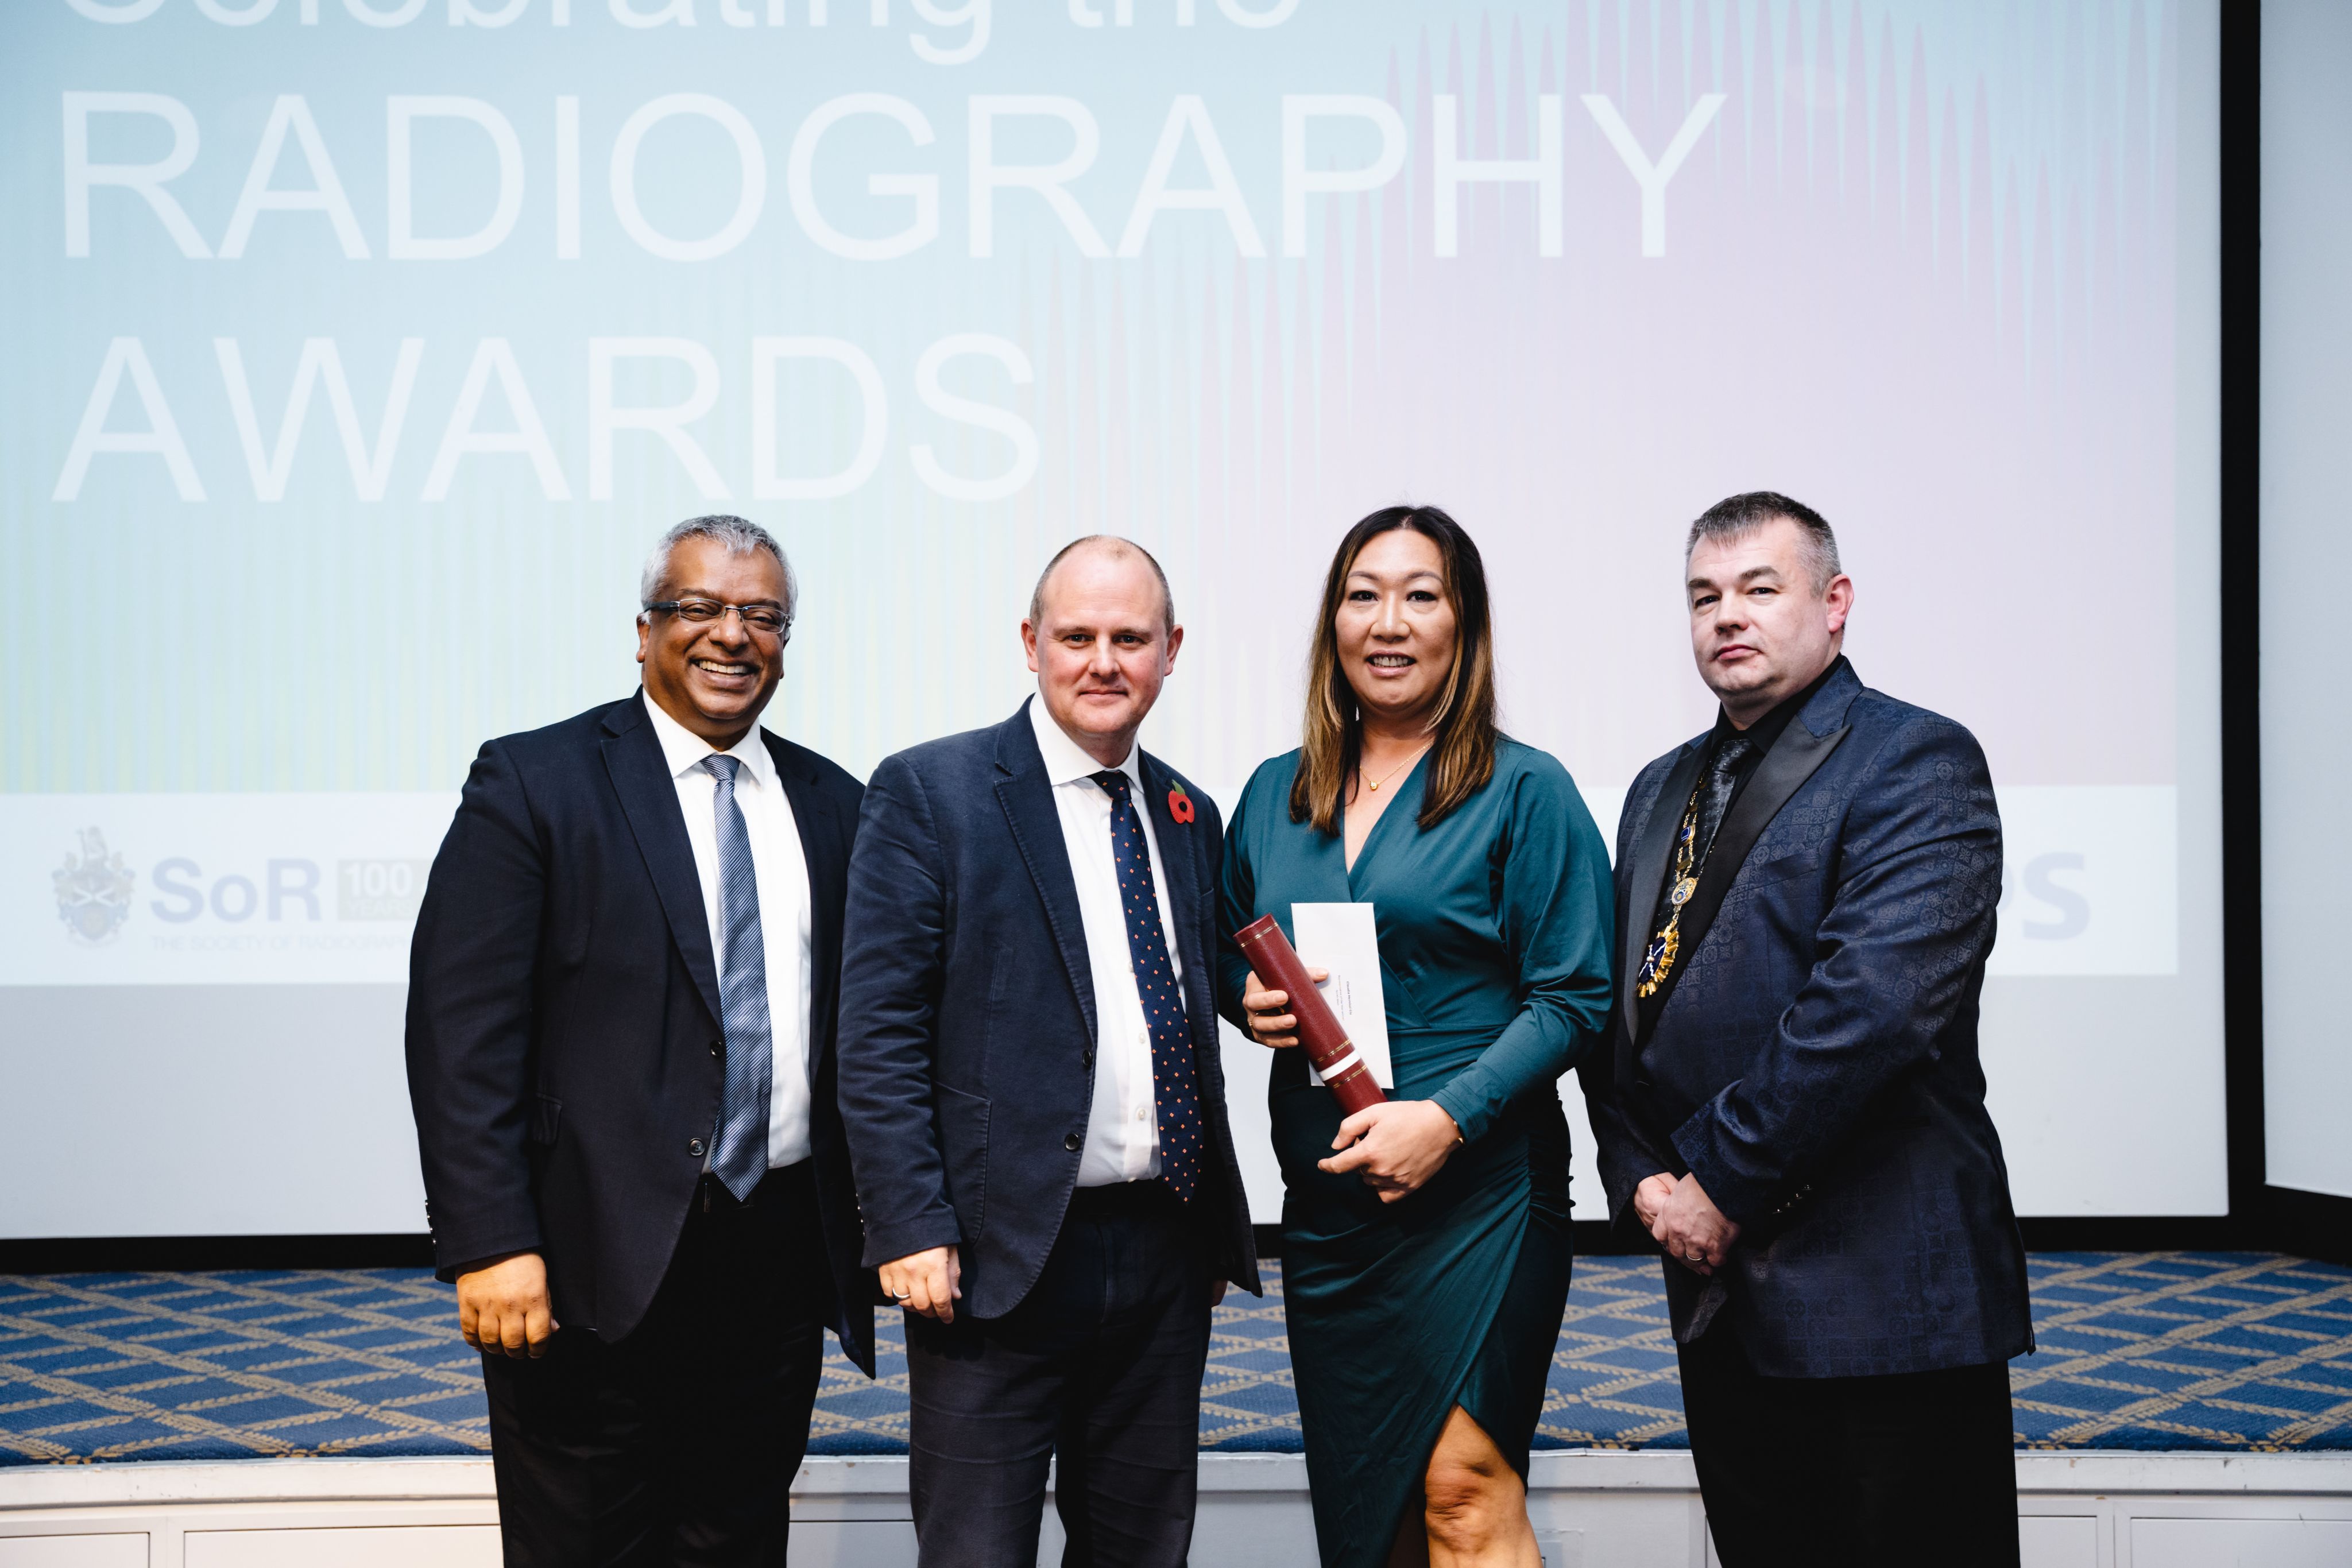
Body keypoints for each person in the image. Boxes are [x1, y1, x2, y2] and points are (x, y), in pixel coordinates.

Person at [404, 514, 873, 1566]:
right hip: (586, 1259)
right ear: (645, 628)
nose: (731, 635)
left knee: (738, 1539)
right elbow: (459, 1033)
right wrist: (489, 1242)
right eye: (699, 608)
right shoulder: (536, 782)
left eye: (762, 615)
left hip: (775, 1253)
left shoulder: (835, 803)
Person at [1580, 491, 2032, 1567]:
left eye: (1759, 588)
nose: (1726, 616)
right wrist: (1639, 1175)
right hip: (1718, 1296)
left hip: (1883, 1298)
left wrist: (1720, 1185)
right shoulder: (1657, 787)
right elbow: (1622, 1007)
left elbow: (1870, 1012)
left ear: (1836, 604)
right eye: (1704, 596)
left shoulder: (1915, 758)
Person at [835, 535, 1259, 1568]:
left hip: (1162, 1253)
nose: (1103, 662)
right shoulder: (931, 791)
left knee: (1141, 1551)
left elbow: (1184, 999)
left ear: (1172, 651)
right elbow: (878, 1032)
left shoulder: (1188, 812)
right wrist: (908, 1223)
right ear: (1031, 643)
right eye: (1077, 637)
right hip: (991, 1260)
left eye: (1131, 638)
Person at [1217, 506, 1614, 1568]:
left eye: (1420, 596)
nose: (1387, 623)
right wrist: (1244, 999)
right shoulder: (1273, 792)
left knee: (1462, 1491)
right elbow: (1220, 947)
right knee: (1373, 1515)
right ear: (1333, 622)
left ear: (1463, 624)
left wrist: (1445, 1121)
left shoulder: (1525, 787)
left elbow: (1576, 996)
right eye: (1363, 596)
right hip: (1332, 1212)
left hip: (1478, 1195)